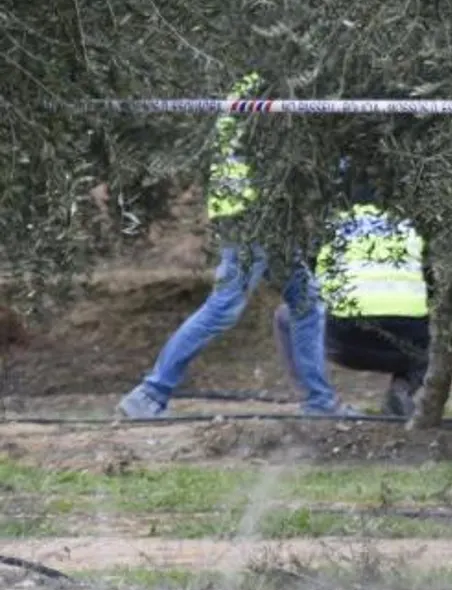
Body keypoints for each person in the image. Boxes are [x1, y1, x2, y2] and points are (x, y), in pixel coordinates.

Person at [118, 73, 351, 419]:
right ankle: (150, 393)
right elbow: (288, 151)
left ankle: (320, 401)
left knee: (306, 301)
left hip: (257, 211)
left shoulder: (253, 80)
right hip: (251, 213)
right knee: (224, 306)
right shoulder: (275, 81)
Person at [280, 170, 431, 418]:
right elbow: (431, 287)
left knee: (286, 316)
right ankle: (403, 390)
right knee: (440, 330)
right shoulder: (409, 226)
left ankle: (316, 397)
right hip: (404, 348)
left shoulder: (331, 226)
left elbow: (308, 282)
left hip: (346, 341)